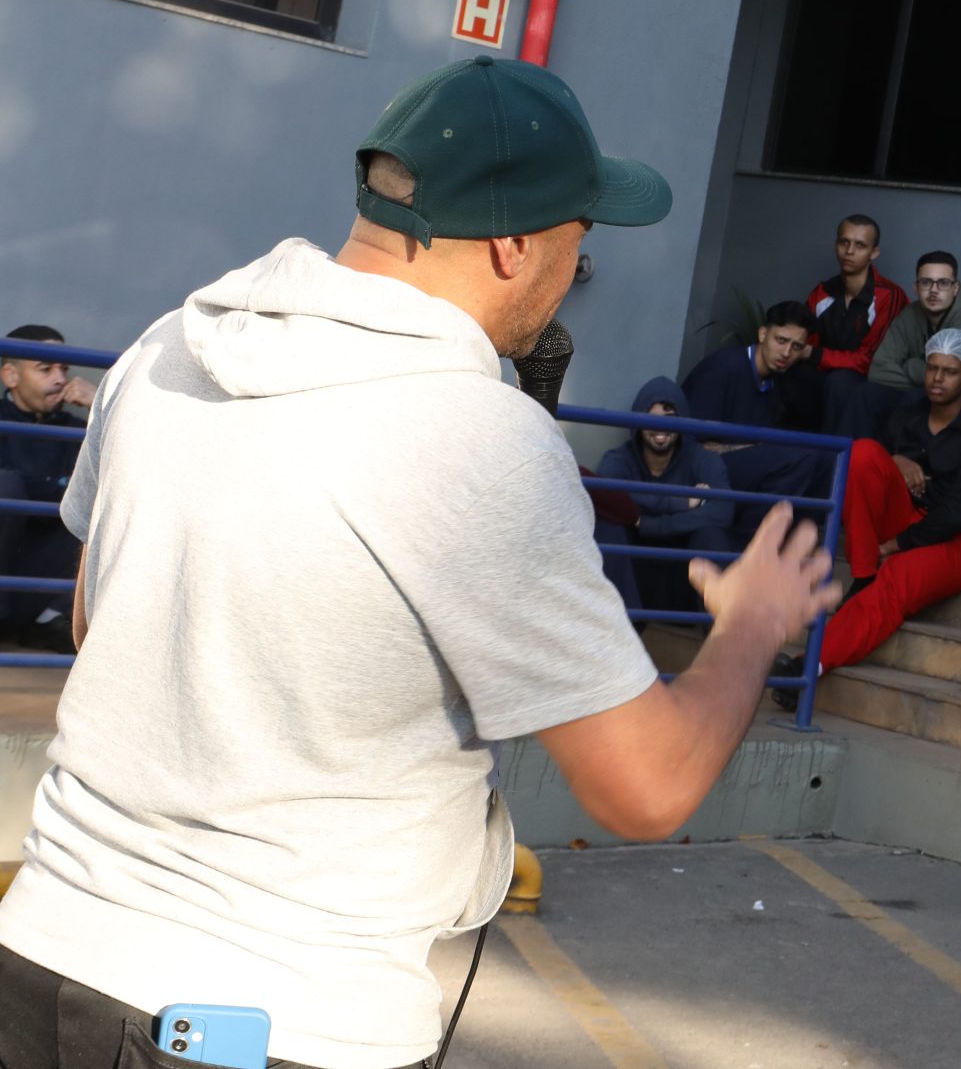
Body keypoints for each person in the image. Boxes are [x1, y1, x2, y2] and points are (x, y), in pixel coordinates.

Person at [0, 55, 838, 1069]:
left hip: (40, 958)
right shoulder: (480, 444)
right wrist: (751, 623)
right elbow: (646, 786)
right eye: (582, 241)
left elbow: (99, 624)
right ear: (516, 248)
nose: (580, 269)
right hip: (274, 1018)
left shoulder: (167, 346)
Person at [799, 328, 961, 676]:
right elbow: (876, 466)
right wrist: (896, 459)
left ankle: (812, 665)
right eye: (932, 368)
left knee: (896, 576)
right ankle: (864, 574)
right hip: (909, 514)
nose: (937, 379)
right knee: (863, 453)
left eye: (950, 371)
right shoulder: (911, 408)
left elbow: (958, 512)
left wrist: (897, 545)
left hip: (959, 541)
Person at [592, 377, 735, 616]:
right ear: (638, 421)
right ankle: (611, 630)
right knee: (608, 527)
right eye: (651, 418)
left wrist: (649, 523)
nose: (661, 428)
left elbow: (722, 512)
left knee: (711, 536)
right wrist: (682, 502)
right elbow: (609, 497)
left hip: (684, 576)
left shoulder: (701, 459)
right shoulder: (619, 459)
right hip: (632, 576)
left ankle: (723, 634)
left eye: (670, 419)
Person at [0, 328, 95, 653]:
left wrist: (101, 408)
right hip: (7, 566)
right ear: (11, 375)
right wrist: (59, 488)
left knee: (103, 499)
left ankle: (48, 621)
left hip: (44, 580)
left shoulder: (78, 428)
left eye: (64, 369)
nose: (59, 378)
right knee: (7, 486)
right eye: (46, 369)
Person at [680, 300, 831, 499]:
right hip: (699, 473)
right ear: (762, 334)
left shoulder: (778, 382)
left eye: (796, 346)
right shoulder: (722, 369)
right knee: (795, 458)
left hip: (741, 474)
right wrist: (760, 450)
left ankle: (804, 528)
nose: (786, 353)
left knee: (825, 459)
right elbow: (691, 447)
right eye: (781, 340)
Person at [807, 215, 910, 440]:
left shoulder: (889, 295)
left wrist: (814, 355)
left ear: (874, 253)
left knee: (839, 383)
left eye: (860, 245)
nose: (849, 251)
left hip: (871, 379)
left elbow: (870, 360)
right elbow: (808, 343)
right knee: (791, 373)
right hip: (828, 371)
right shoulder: (822, 291)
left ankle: (831, 459)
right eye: (844, 242)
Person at [868, 251, 961, 404]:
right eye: (926, 282)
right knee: (868, 393)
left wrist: (911, 367)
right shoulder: (910, 313)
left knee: (913, 401)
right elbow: (877, 371)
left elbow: (949, 378)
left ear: (955, 288)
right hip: (931, 394)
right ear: (916, 287)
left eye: (943, 283)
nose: (934, 290)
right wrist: (925, 376)